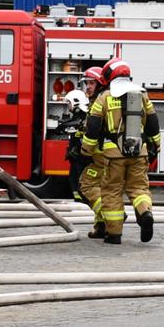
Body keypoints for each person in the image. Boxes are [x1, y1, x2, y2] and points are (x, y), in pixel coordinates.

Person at [83, 58, 160, 243]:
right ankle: (144, 213)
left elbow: (93, 126)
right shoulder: (142, 95)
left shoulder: (105, 97)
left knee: (112, 191)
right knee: (139, 188)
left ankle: (115, 234)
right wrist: (155, 146)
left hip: (113, 155)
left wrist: (87, 149)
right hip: (139, 152)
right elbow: (153, 123)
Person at [68, 65, 109, 238]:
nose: (88, 87)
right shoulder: (98, 100)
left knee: (86, 187)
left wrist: (82, 150)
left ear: (99, 84)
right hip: (101, 154)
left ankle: (111, 216)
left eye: (91, 83)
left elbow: (94, 131)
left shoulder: (100, 101)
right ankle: (101, 227)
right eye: (87, 84)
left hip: (100, 155)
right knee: (98, 189)